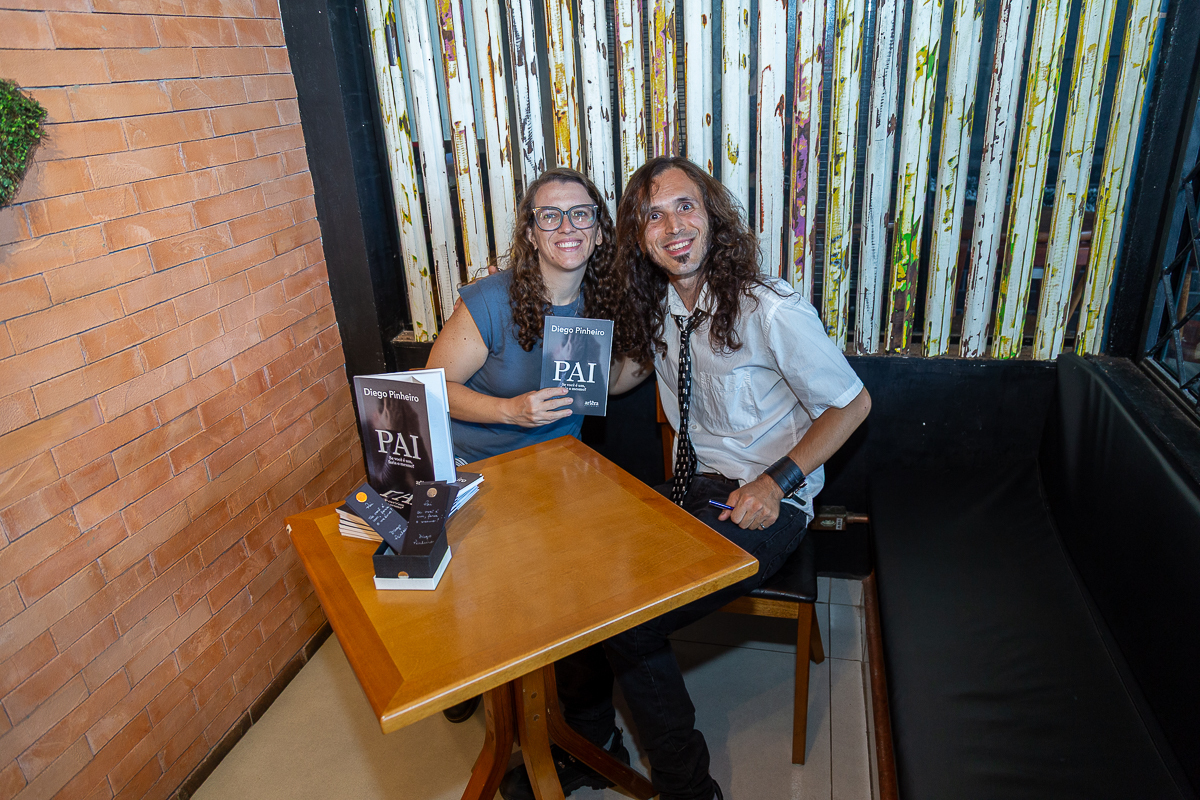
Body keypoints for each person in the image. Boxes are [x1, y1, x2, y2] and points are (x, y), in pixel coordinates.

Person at [542, 156, 871, 800]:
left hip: (768, 501)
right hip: (695, 490)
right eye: (653, 216)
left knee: (630, 624)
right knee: (581, 579)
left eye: (685, 206)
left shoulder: (769, 309)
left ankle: (689, 788)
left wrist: (776, 482)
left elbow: (852, 404)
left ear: (713, 216)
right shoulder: (661, 308)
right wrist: (554, 370)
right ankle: (590, 745)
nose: (673, 227)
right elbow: (618, 375)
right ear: (639, 238)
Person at [426, 169, 642, 778]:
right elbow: (433, 387)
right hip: (475, 470)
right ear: (531, 231)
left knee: (581, 586)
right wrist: (510, 411)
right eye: (550, 215)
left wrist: (647, 353)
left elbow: (613, 382)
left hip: (557, 474)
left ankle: (587, 730)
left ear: (598, 229)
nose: (567, 226)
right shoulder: (492, 300)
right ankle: (476, 674)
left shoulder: (606, 298)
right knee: (492, 588)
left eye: (581, 214)